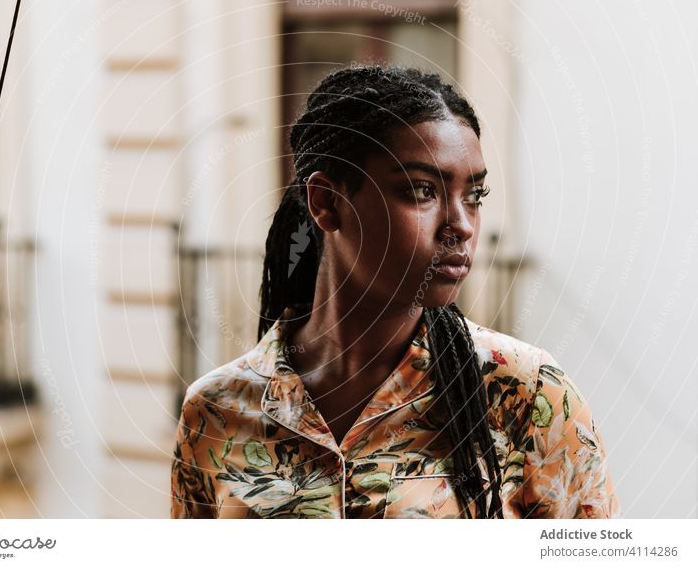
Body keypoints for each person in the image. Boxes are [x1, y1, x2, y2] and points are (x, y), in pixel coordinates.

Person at [170, 64, 620, 519]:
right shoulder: (214, 411)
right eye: (422, 191)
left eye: (474, 196)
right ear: (327, 202)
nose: (461, 226)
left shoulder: (526, 393)